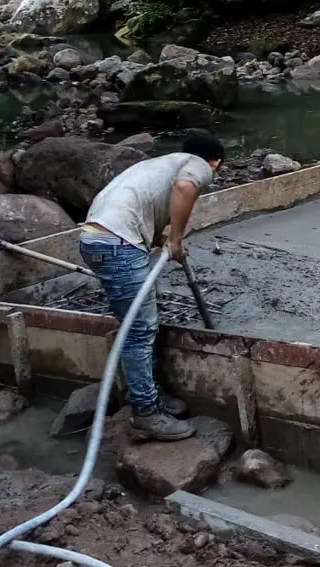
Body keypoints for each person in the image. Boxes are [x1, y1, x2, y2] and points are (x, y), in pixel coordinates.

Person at [79, 134, 224, 441]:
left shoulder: (160, 164)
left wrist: (164, 237)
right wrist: (175, 238)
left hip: (96, 237)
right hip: (118, 243)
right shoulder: (199, 166)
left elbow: (144, 206)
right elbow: (185, 188)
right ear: (216, 163)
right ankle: (146, 411)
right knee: (139, 330)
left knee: (138, 321)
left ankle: (152, 394)